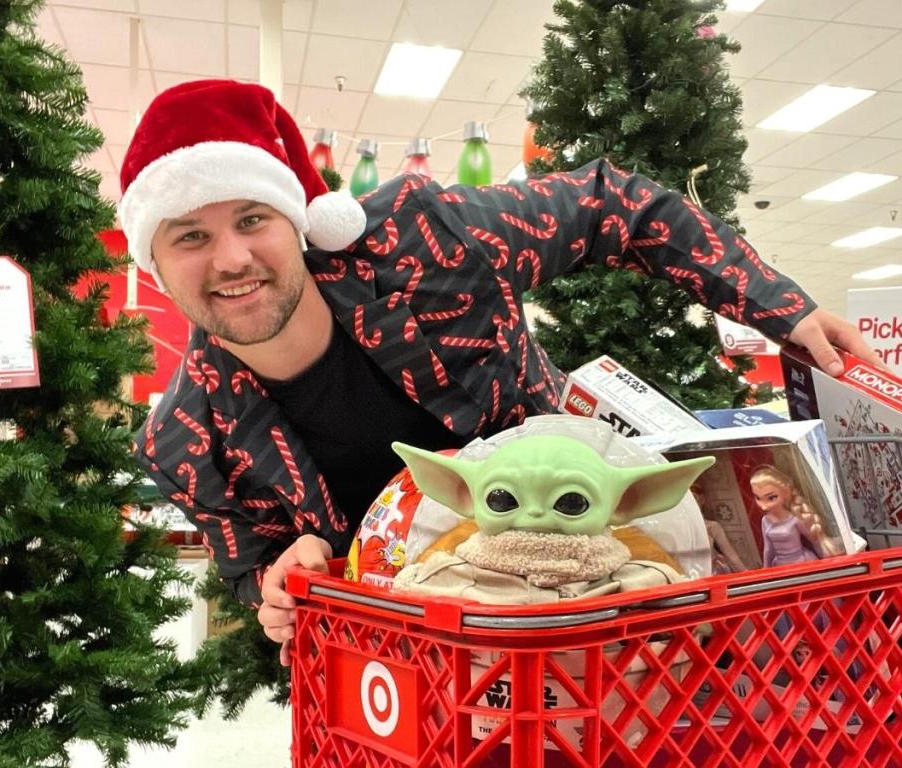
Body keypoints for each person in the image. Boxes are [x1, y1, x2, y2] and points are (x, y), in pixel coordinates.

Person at [117, 79, 880, 665]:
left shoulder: (426, 245)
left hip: (613, 597)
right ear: (153, 263)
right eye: (189, 236)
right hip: (432, 675)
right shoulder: (185, 444)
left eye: (252, 219)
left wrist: (780, 307)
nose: (231, 259)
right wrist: (277, 585)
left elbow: (615, 204)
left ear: (297, 221)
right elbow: (254, 572)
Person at [750, 464, 840, 568]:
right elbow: (768, 549)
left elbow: (814, 540)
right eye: (757, 498)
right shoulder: (765, 521)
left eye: (771, 498)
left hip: (802, 562)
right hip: (780, 565)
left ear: (785, 493)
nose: (763, 505)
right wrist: (766, 570)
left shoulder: (794, 520)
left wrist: (830, 561)